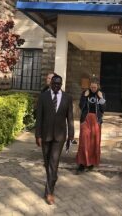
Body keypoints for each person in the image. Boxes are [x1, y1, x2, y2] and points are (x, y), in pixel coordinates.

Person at [35, 74, 74, 205]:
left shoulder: (67, 98)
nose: (56, 86)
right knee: (47, 163)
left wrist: (71, 135)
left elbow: (70, 118)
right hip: (45, 135)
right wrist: (37, 135)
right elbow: (39, 117)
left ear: (61, 84)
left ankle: (49, 192)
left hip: (59, 136)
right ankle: (53, 177)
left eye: (59, 84)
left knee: (54, 162)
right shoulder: (43, 97)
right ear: (50, 83)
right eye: (54, 84)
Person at [76, 77, 106, 174]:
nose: (93, 89)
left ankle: (91, 162)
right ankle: (82, 163)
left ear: (98, 86)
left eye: (94, 87)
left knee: (94, 142)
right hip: (85, 120)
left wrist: (101, 98)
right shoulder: (85, 93)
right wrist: (85, 97)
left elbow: (103, 109)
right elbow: (81, 106)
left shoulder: (101, 94)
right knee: (84, 140)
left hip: (96, 120)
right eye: (91, 87)